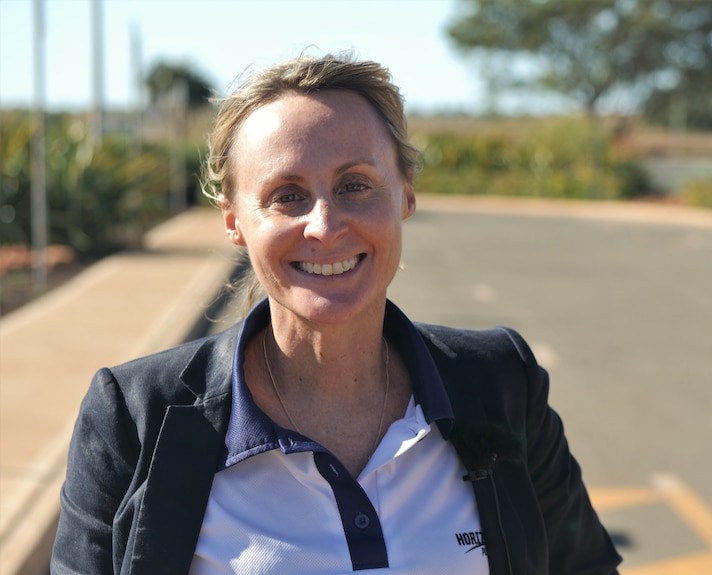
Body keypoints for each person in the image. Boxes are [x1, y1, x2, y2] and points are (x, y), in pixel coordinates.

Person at [51, 53, 621, 574]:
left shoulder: (501, 383)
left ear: (406, 193)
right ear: (233, 221)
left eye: (355, 185)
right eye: (286, 196)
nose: (325, 225)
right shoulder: (135, 418)